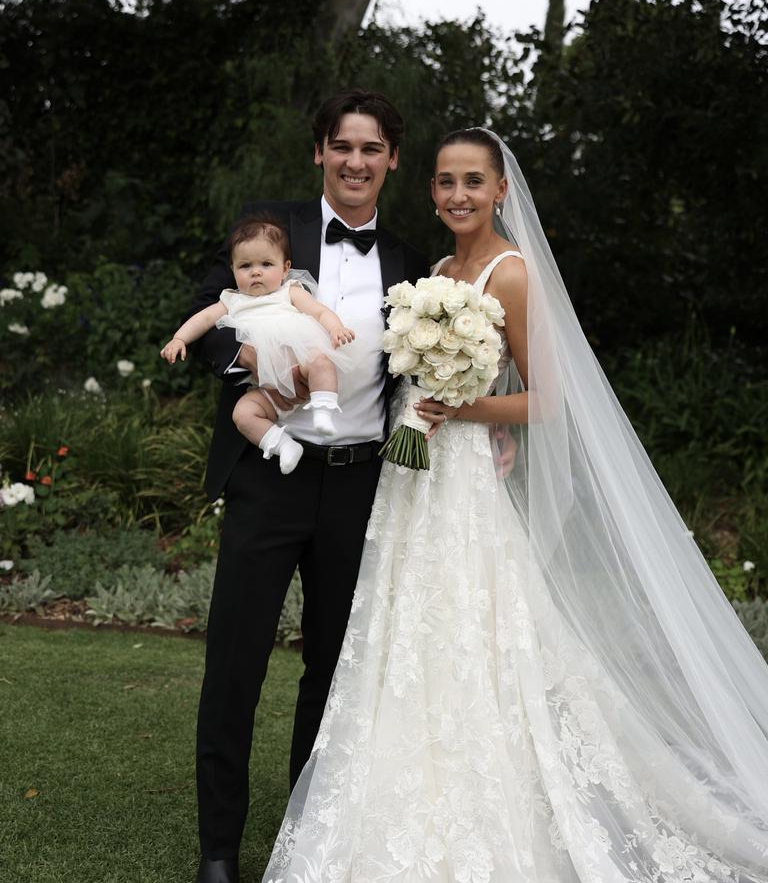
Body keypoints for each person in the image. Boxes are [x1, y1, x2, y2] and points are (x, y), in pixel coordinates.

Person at [262, 129, 768, 882]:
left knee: (470, 630)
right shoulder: (431, 272)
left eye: (473, 181)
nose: (458, 195)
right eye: (444, 182)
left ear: (502, 190)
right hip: (411, 479)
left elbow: (547, 399)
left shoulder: (512, 273)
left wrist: (463, 414)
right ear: (429, 191)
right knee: (402, 634)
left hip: (459, 478)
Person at [190, 89, 429, 883]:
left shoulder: (407, 259)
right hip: (270, 470)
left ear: (392, 160)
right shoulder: (271, 229)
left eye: (371, 149)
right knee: (237, 659)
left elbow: (418, 372)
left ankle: (307, 837)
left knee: (332, 666)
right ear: (320, 153)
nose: (355, 161)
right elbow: (209, 315)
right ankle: (219, 849)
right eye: (342, 146)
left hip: (359, 486)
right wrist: (247, 360)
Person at [160, 214, 359, 474]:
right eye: (245, 266)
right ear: (232, 269)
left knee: (321, 361)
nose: (256, 271)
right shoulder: (231, 300)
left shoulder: (290, 291)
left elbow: (319, 312)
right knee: (242, 414)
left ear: (285, 268)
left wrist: (335, 328)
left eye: (266, 264)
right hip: (267, 387)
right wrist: (179, 338)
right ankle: (283, 445)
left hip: (300, 364)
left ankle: (323, 410)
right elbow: (204, 318)